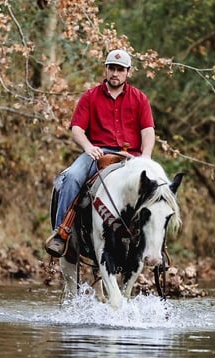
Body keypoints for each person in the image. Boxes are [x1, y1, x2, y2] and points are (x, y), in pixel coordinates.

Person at [45, 49, 156, 257]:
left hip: (131, 156)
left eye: (120, 69)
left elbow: (148, 131)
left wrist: (146, 157)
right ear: (106, 70)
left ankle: (153, 242)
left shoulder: (140, 99)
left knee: (156, 188)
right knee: (70, 177)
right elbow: (77, 129)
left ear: (128, 72)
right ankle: (61, 234)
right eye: (111, 68)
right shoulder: (90, 97)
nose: (115, 73)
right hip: (96, 153)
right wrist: (88, 147)